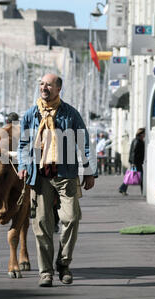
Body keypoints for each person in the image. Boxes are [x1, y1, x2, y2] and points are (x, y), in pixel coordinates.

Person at [17, 73, 96, 287]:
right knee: (41, 224)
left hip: (66, 175)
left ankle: (64, 264)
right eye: (41, 84)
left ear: (58, 89)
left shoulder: (70, 114)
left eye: (48, 85)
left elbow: (85, 142)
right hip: (40, 176)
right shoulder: (31, 114)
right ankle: (46, 272)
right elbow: (23, 145)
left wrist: (89, 171)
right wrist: (24, 166)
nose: (44, 88)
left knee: (71, 218)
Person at [119, 128, 145, 195]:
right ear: (141, 134)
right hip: (136, 163)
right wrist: (133, 163)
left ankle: (122, 188)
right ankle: (143, 191)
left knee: (131, 175)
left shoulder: (138, 140)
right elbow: (133, 152)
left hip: (136, 162)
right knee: (138, 176)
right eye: (144, 134)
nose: (145, 135)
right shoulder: (137, 141)